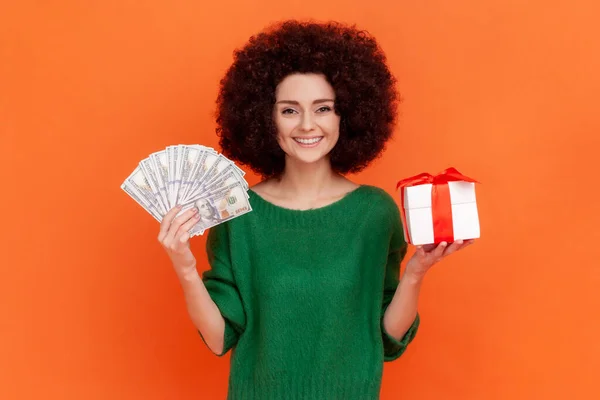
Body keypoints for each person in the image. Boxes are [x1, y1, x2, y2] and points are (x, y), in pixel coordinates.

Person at [157, 19, 474, 400]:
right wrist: (185, 268)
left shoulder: (375, 213)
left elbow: (388, 337)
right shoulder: (238, 215)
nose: (307, 125)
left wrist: (415, 273)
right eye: (289, 110)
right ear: (264, 117)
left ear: (347, 114)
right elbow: (218, 337)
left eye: (323, 108)